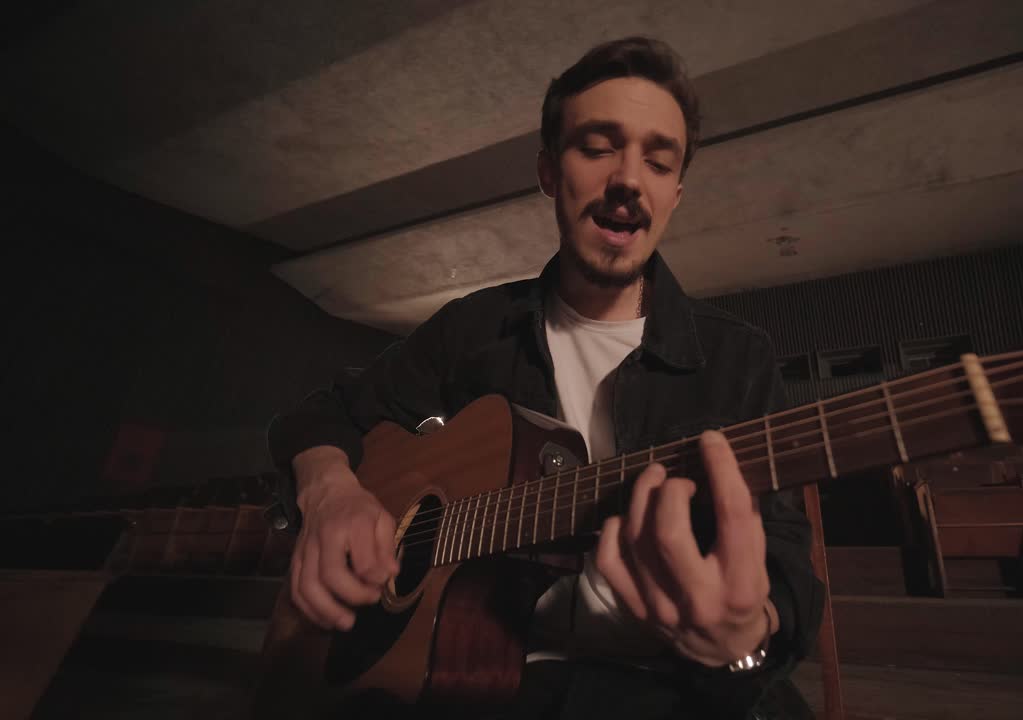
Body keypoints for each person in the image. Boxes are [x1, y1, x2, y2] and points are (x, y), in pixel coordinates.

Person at [267, 36, 824, 720]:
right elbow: (323, 414)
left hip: (670, 688)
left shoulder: (739, 358)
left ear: (674, 196)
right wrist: (329, 492)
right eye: (597, 146)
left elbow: (790, 567)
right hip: (472, 672)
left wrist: (744, 640)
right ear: (549, 172)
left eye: (657, 160)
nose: (628, 179)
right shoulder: (470, 329)